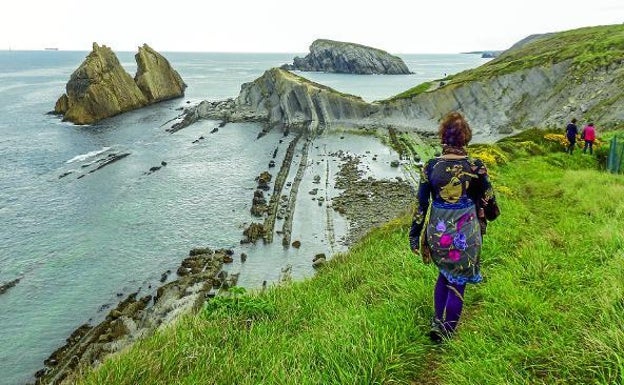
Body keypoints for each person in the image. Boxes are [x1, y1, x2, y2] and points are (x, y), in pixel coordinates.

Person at [409, 111, 497, 343]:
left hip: (437, 234)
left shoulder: (430, 167)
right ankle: (446, 332)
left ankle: (438, 322)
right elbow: (489, 199)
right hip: (465, 235)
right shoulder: (476, 166)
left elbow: (420, 204)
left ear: (443, 137)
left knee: (443, 275)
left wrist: (414, 235)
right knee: (458, 281)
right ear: (465, 138)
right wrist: (489, 213)